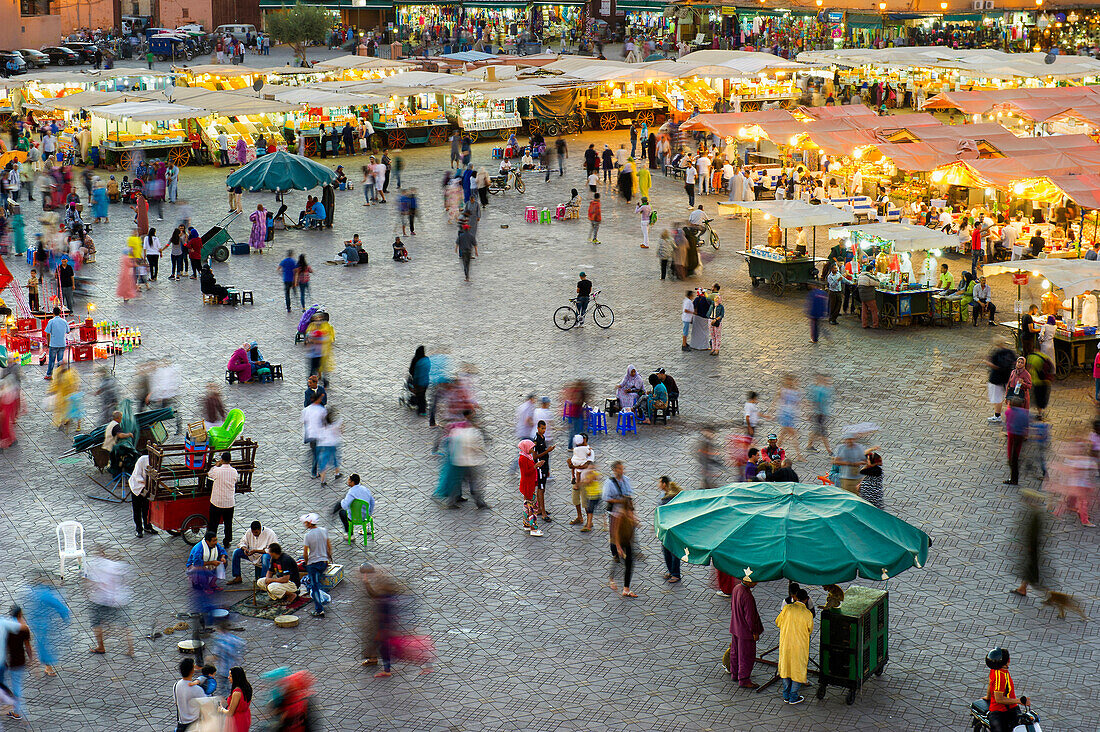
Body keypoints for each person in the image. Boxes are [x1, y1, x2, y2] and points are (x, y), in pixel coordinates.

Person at [775, 588, 814, 705]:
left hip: (786, 643)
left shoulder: (787, 609)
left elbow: (778, 622)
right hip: (799, 646)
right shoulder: (807, 614)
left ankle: (786, 694)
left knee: (785, 667)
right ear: (806, 599)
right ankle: (793, 696)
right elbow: (809, 629)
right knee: (798, 669)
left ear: (796, 597)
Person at [730, 577, 764, 689]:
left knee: (735, 652)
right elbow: (750, 617)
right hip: (745, 631)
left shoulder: (736, 588)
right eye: (755, 581)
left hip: (735, 626)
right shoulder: (747, 596)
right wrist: (754, 631)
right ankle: (744, 679)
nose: (757, 583)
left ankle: (734, 674)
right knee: (746, 655)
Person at [983, 648, 1025, 732]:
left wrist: (988, 697)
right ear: (1008, 660)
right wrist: (1018, 701)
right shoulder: (1001, 677)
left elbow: (990, 684)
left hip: (1011, 707)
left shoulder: (995, 670)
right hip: (998, 711)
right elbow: (999, 699)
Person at [302, 513, 333, 618]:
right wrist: (329, 558)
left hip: (313, 564)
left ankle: (319, 609)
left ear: (309, 523)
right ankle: (323, 598)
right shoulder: (324, 531)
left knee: (314, 586)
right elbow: (329, 547)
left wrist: (306, 563)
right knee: (320, 581)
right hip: (323, 562)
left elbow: (305, 553)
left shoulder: (308, 536)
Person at [227, 521, 277, 586]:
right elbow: (242, 542)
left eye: (256, 532)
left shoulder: (270, 533)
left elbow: (272, 550)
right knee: (236, 552)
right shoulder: (249, 532)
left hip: (263, 555)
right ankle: (237, 577)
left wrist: (256, 551)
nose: (254, 534)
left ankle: (264, 581)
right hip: (252, 555)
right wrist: (244, 549)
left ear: (260, 529)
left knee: (265, 557)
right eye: (253, 532)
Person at [208, 452, 239, 545]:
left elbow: (209, 474)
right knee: (228, 523)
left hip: (217, 501)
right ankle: (227, 540)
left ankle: (211, 540)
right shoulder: (234, 472)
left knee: (213, 523)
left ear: (221, 460)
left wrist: (216, 465)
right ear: (230, 460)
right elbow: (236, 480)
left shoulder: (217, 470)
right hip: (229, 502)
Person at [128, 447, 158, 538]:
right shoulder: (142, 460)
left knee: (147, 508)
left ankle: (147, 526)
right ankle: (139, 529)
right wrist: (146, 486)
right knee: (137, 509)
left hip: (147, 488)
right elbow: (137, 475)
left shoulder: (157, 461)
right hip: (137, 487)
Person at [174, 658, 209, 732]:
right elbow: (207, 704)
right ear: (192, 670)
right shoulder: (197, 689)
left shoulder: (176, 685)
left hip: (181, 724)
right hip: (194, 725)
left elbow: (176, 702)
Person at [518, 439, 544, 537]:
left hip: (528, 484)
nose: (532, 450)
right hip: (528, 485)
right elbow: (526, 473)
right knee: (533, 507)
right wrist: (535, 466)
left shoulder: (526, 457)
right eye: (531, 448)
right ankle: (534, 528)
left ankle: (526, 524)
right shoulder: (523, 459)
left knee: (526, 505)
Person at [220, 666, 252, 732]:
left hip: (236, 721)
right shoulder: (247, 686)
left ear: (236, 677)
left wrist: (221, 709)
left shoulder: (237, 693)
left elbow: (230, 713)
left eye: (231, 676)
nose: (228, 678)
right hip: (245, 717)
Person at [43, 307, 69, 380]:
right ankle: (59, 375)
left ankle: (49, 374)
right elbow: (68, 331)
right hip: (62, 343)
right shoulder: (64, 321)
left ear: (53, 313)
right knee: (60, 360)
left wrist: (48, 343)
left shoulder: (51, 321)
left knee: (52, 360)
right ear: (60, 313)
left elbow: (47, 333)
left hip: (53, 344)